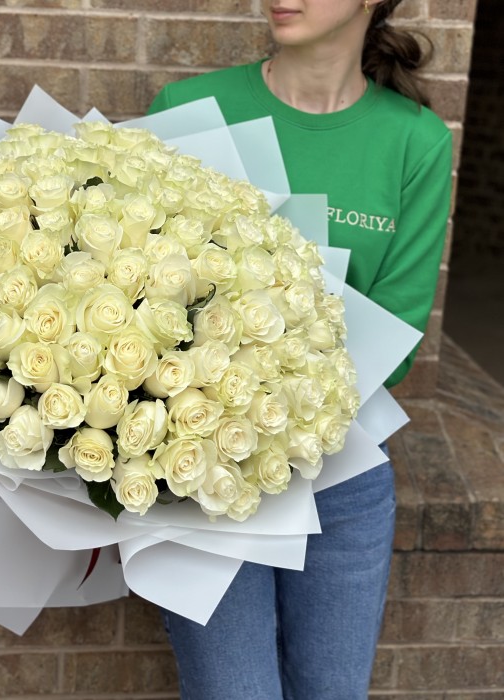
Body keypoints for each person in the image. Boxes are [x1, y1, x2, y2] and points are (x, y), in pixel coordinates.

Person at [146, 1, 452, 698]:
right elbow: (144, 297)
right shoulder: (189, 109)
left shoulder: (415, 140)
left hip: (342, 475)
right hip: (206, 476)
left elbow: (397, 343)